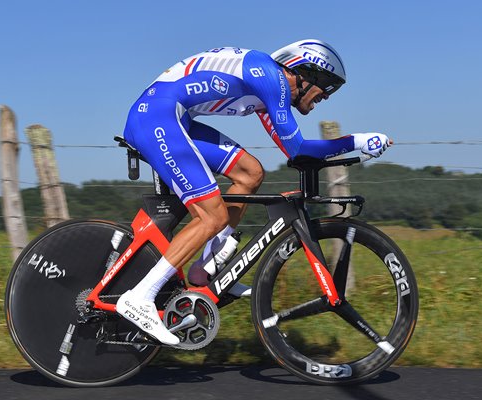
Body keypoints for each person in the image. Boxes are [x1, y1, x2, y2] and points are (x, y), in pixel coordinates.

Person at [117, 39, 392, 345]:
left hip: (173, 117)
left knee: (250, 173)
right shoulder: (270, 79)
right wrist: (355, 141)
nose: (326, 96)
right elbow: (299, 148)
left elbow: (293, 154)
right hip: (157, 117)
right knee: (212, 215)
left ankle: (204, 271)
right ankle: (140, 296)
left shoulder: (266, 91)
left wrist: (341, 150)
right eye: (326, 85)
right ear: (304, 73)